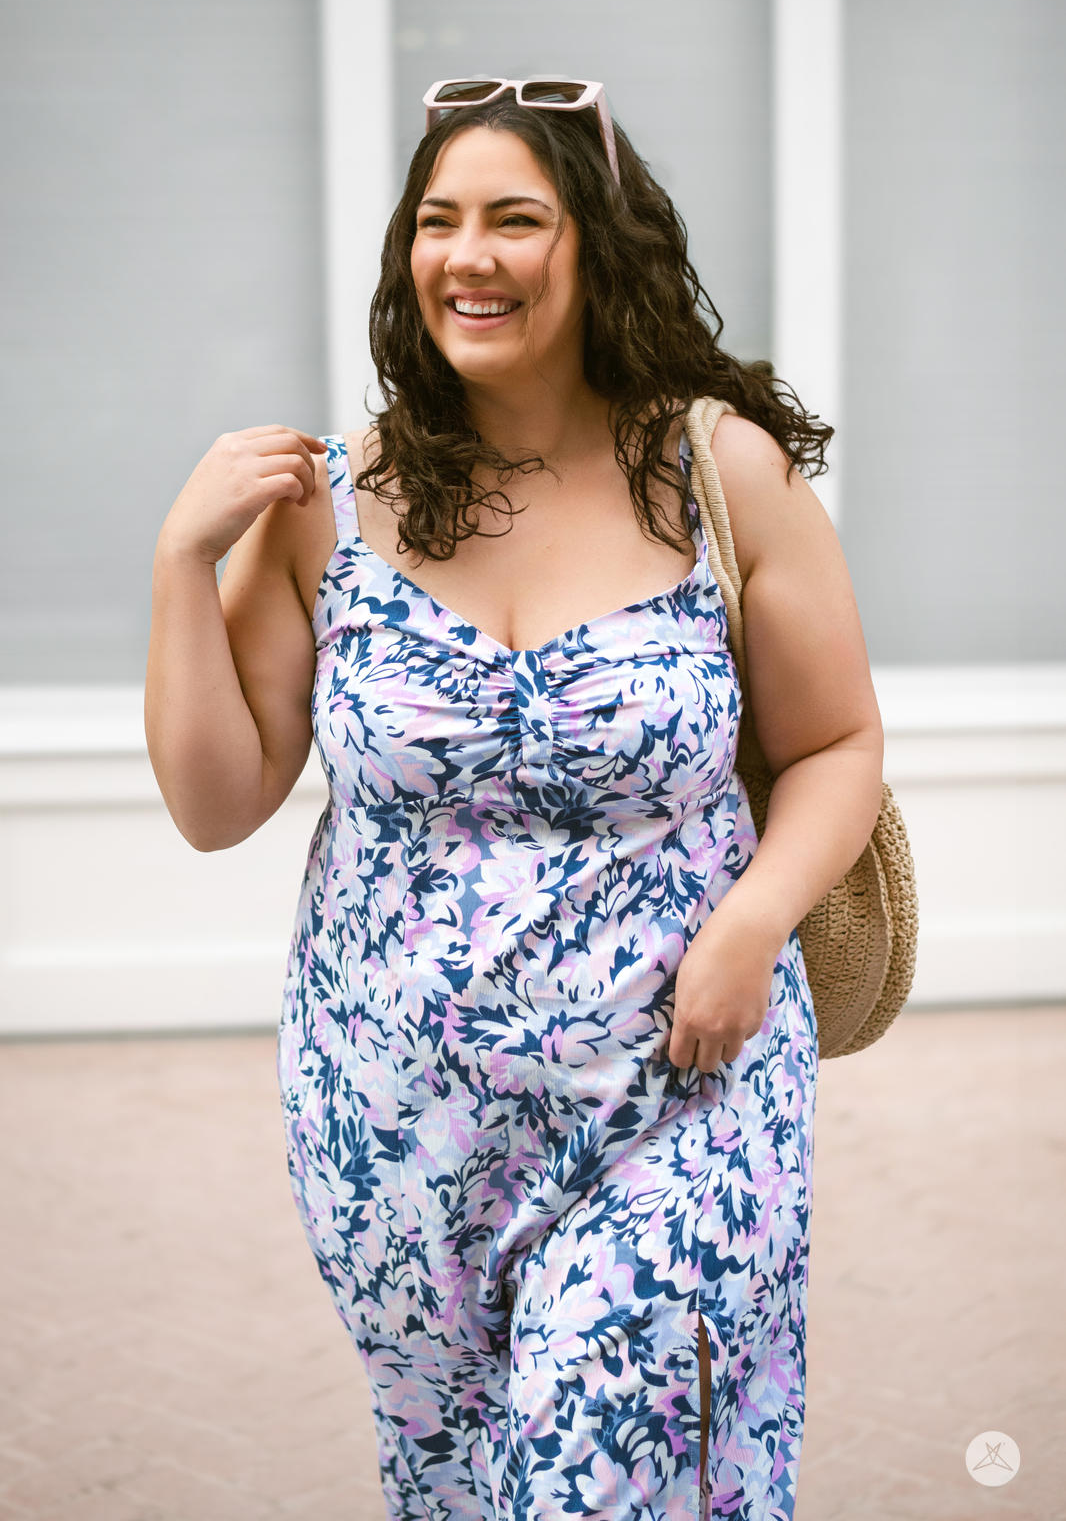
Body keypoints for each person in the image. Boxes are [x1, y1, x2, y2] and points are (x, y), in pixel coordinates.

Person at [145, 76, 884, 1520]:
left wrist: (750, 926)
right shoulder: (330, 504)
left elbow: (838, 744)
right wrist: (181, 565)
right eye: (436, 221)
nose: (464, 255)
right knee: (463, 1478)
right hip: (396, 1122)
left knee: (609, 1452)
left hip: (678, 1088)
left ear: (596, 244)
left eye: (513, 219)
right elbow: (219, 801)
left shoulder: (714, 471)